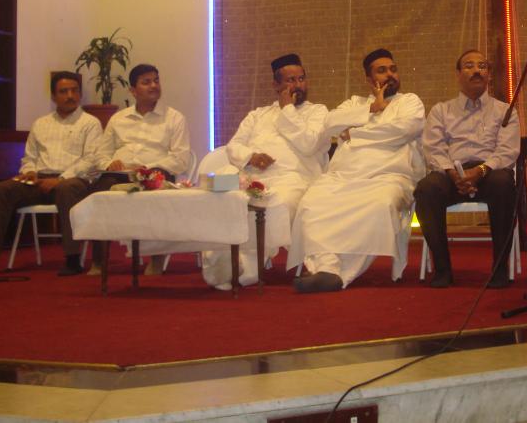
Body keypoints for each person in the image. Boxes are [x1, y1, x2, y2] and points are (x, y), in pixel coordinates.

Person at [288, 48, 425, 292]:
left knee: (378, 205)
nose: (390, 74)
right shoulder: (355, 104)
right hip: (343, 177)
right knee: (312, 203)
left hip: (388, 176)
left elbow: (404, 130)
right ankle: (327, 266)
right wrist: (371, 108)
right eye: (382, 70)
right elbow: (330, 123)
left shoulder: (409, 101)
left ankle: (341, 274)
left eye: (393, 69)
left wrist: (356, 134)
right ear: (369, 79)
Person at [201, 53, 330, 289]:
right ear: (276, 85)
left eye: (301, 79)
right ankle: (221, 257)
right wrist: (251, 156)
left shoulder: (318, 112)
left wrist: (287, 110)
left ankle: (246, 266)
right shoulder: (258, 115)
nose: (298, 85)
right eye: (290, 80)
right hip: (252, 177)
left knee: (278, 205)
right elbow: (234, 146)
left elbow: (309, 144)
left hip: (293, 179)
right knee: (219, 194)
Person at [0, 71, 102, 278]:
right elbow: (29, 156)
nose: (70, 96)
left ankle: (73, 259)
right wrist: (29, 171)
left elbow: (90, 160)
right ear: (53, 96)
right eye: (63, 91)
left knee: (67, 189)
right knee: (2, 189)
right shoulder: (41, 123)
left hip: (73, 181)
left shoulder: (90, 123)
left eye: (74, 91)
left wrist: (60, 179)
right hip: (40, 180)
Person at [414, 49, 520, 288]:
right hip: (452, 173)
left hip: (490, 173)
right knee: (426, 189)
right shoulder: (441, 111)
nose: (476, 71)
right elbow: (434, 149)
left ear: (489, 75)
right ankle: (442, 270)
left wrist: (480, 171)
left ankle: (500, 269)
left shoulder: (505, 111)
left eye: (482, 66)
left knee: (504, 184)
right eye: (469, 66)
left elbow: (507, 151)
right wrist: (454, 174)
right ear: (458, 74)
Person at [78, 63, 192, 273]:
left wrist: (147, 168)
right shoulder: (118, 119)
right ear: (132, 90)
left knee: (156, 191)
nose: (153, 85)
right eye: (146, 82)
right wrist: (109, 164)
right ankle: (99, 261)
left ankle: (156, 258)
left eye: (156, 80)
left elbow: (180, 159)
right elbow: (101, 154)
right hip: (120, 174)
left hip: (156, 174)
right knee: (98, 192)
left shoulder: (174, 118)